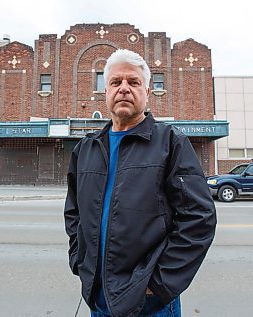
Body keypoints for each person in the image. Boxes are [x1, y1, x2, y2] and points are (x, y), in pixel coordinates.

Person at [64, 49, 217, 317]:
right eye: (116, 82)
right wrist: (80, 261)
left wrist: (157, 284)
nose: (124, 88)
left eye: (133, 82)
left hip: (150, 304)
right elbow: (75, 214)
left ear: (147, 91)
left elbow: (199, 218)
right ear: (106, 91)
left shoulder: (170, 143)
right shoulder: (86, 149)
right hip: (98, 297)